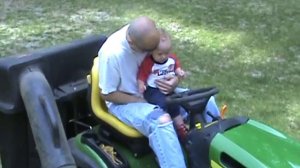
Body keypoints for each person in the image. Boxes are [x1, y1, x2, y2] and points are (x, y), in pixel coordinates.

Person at [98, 16, 220, 168]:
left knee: (207, 100)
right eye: (147, 51)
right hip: (127, 101)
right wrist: (141, 101)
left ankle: (212, 153)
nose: (150, 55)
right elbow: (107, 94)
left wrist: (175, 80)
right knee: (161, 121)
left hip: (156, 92)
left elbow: (168, 63)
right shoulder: (112, 54)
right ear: (131, 43)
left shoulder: (148, 37)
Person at [137, 28, 188, 142]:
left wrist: (179, 72)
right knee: (162, 105)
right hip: (153, 90)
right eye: (160, 54)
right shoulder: (149, 62)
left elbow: (176, 66)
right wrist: (141, 84)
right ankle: (167, 129)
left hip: (168, 89)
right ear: (152, 52)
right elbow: (142, 74)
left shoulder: (171, 58)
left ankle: (180, 127)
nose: (163, 56)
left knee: (175, 103)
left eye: (166, 53)